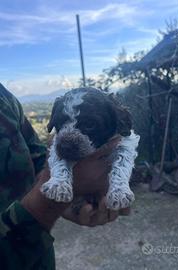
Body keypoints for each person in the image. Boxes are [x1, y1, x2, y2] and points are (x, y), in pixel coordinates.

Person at [0, 83, 130, 270]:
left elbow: (35, 156)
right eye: (62, 123)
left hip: (39, 254)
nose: (68, 138)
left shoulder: (3, 96)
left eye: (90, 124)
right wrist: (48, 203)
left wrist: (75, 196)